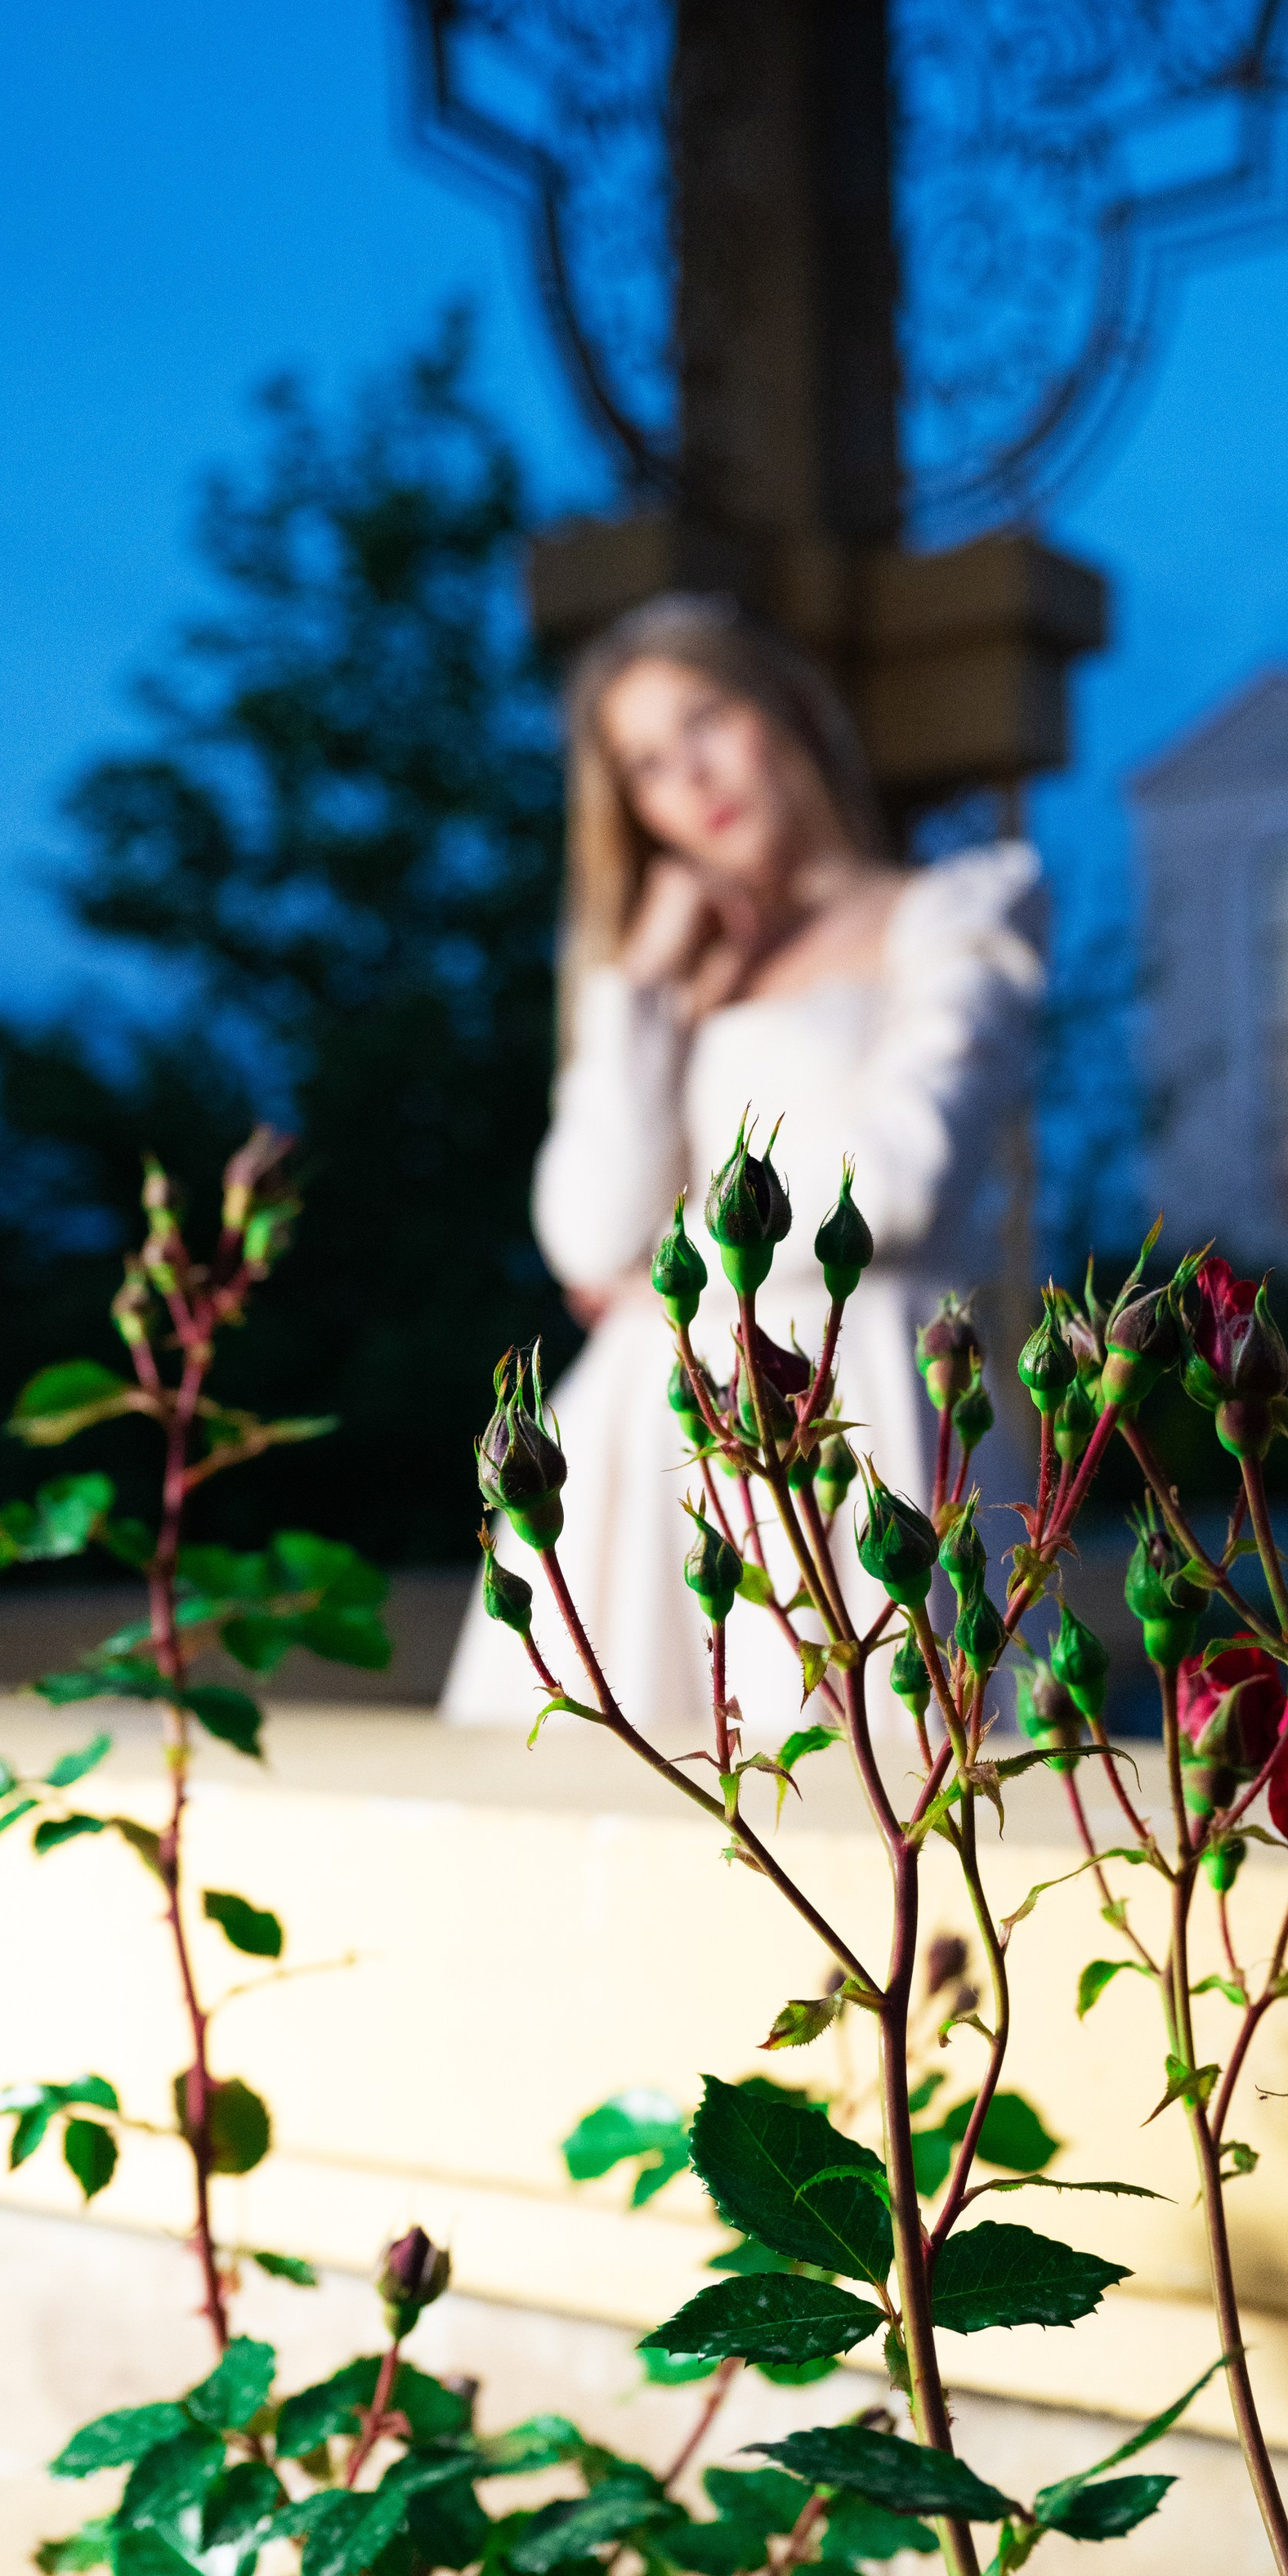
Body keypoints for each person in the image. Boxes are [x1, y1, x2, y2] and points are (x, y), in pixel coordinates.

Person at [441, 592, 1047, 1733]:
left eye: (706, 719)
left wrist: (675, 1272)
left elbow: (902, 1181)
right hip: (646, 1446)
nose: (692, 777)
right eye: (648, 764)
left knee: (877, 1790)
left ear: (788, 708)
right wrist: (640, 985)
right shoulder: (678, 980)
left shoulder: (957, 910)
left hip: (856, 1402)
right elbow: (583, 1230)